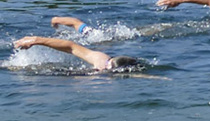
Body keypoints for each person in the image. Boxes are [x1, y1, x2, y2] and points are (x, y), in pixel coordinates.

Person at [11, 35, 141, 72]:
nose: (105, 65)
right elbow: (71, 46)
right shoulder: (102, 60)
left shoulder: (103, 66)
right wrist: (36, 40)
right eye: (108, 63)